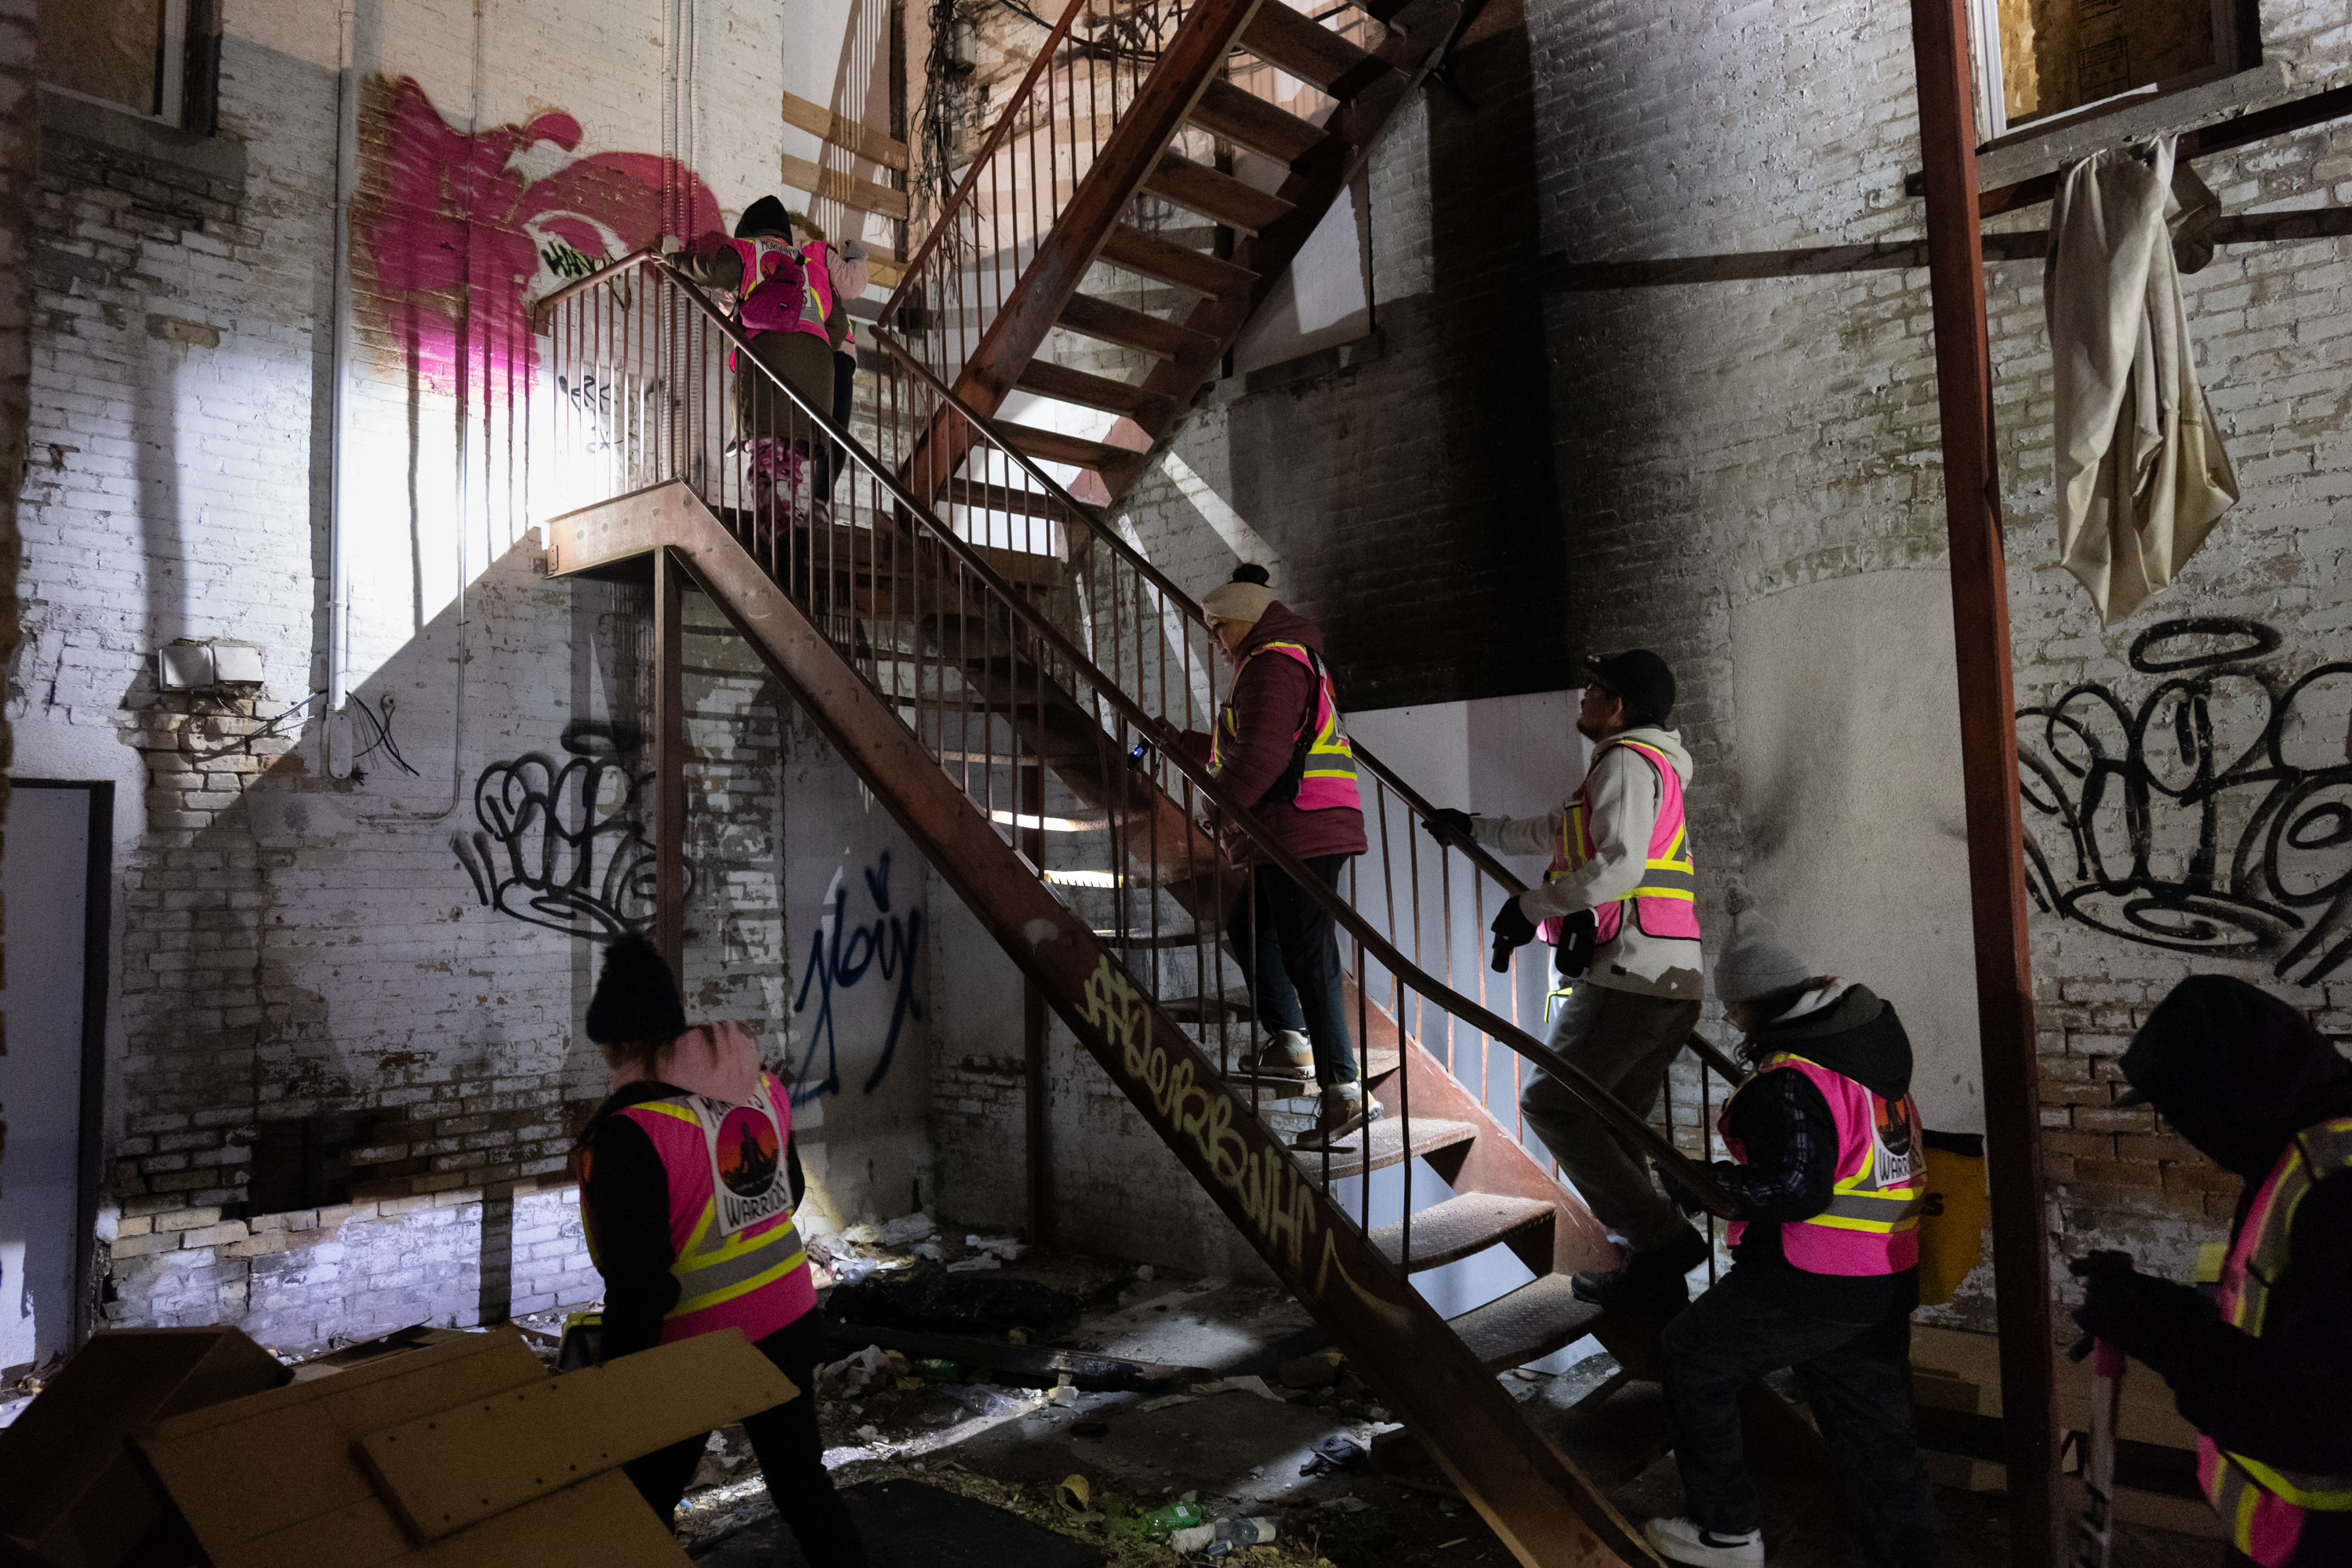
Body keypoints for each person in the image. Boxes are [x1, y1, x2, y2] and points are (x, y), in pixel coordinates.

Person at [1642, 893, 1940, 1568]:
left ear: (1752, 1004)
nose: (1731, 1019)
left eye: (1733, 1007)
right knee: (1877, 1438)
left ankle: (1726, 1533)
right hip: (1884, 1273)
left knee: (1692, 1354)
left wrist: (1702, 1183)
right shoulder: (1864, 1056)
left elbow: (1795, 1189)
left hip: (1812, 1278)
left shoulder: (1791, 1078)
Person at [1424, 648, 1708, 1310]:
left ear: (1619, 706)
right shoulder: (1641, 767)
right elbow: (1553, 832)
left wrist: (1530, 907)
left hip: (1633, 972)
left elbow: (1620, 867)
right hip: (1668, 977)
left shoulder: (1626, 761)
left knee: (1551, 1104)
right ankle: (1654, 1281)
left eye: (1593, 688)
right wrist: (1475, 829)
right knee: (1613, 1128)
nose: (1583, 696)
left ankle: (1662, 1241)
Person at [575, 935, 868, 1564]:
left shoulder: (631, 1132)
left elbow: (639, 1286)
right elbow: (788, 1194)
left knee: (644, 1500)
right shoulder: (761, 1088)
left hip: (698, 1347)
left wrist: (619, 1387)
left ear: (618, 1045)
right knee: (800, 1482)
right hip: (789, 1318)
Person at [2069, 975, 2352, 1568]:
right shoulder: (2302, 1155)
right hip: (2289, 1531)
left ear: (2226, 1096)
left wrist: (2158, 1328)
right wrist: (2144, 1305)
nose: (2189, 1136)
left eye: (2184, 1114)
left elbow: (2319, 1414)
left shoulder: (2339, 1190)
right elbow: (2281, 1327)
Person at [1171, 564, 1371, 1147]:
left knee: (1308, 955)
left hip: (1301, 828)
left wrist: (1216, 811)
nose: (1214, 638)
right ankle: (1291, 1041)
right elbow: (1244, 747)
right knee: (1251, 928)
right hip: (1292, 829)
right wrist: (1179, 743)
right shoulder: (1276, 663)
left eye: (1219, 626)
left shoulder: (1271, 664)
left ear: (1247, 618)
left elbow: (1260, 757)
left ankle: (1343, 1090)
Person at [666, 198, 851, 536]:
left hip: (769, 371)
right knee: (788, 466)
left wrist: (671, 259)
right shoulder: (812, 265)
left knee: (768, 467)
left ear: (747, 230)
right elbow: (837, 327)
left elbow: (714, 272)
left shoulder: (749, 248)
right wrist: (809, 346)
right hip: (817, 381)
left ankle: (782, 538)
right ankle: (791, 528)